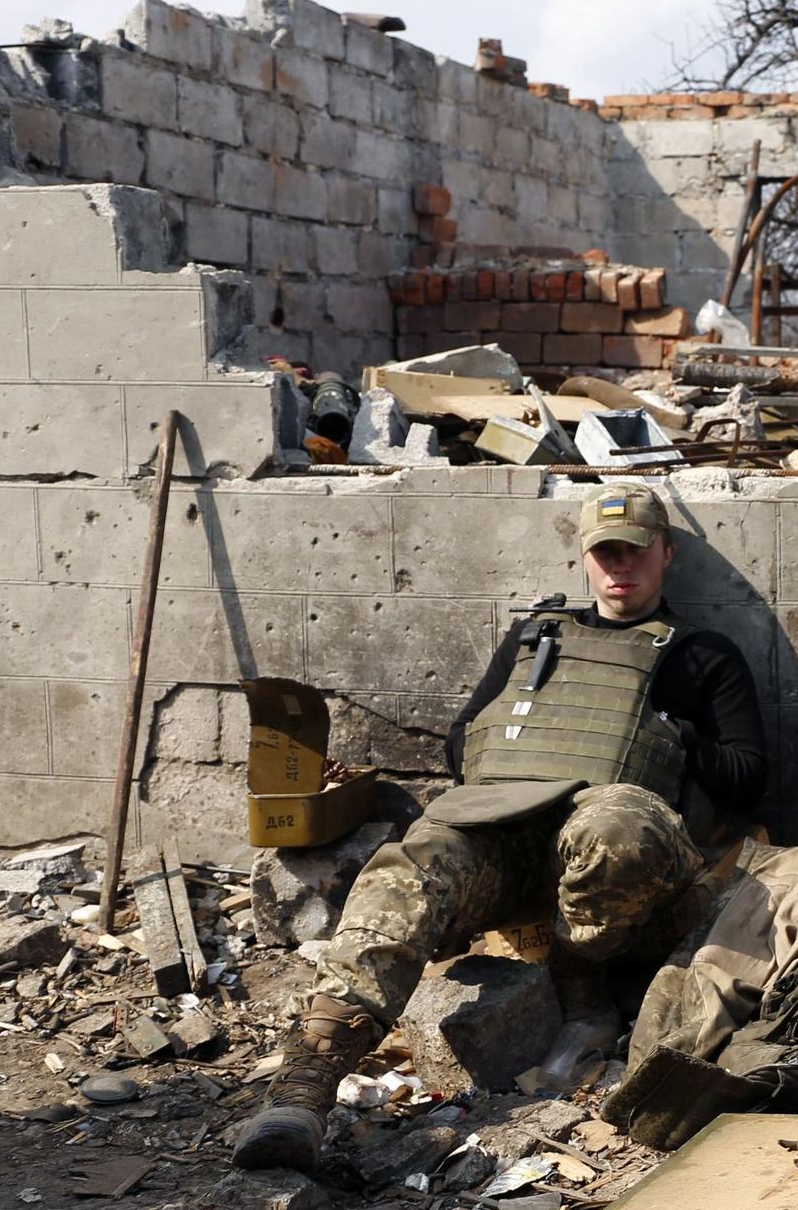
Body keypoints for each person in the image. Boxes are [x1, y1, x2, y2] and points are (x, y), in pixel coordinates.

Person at [233, 482, 770, 1172]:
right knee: (409, 864)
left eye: (636, 551)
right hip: (505, 830)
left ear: (666, 552)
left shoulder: (701, 654)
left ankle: (581, 989)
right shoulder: (535, 636)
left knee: (615, 827)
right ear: (583, 557)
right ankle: (303, 1087)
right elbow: (463, 740)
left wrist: (681, 738)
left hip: (617, 851)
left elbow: (749, 776)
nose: (620, 567)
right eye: (605, 552)